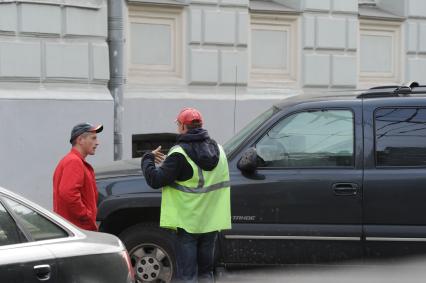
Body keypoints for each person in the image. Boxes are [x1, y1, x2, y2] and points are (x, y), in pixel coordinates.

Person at [141, 108, 231, 282]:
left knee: (187, 276)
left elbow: (155, 180)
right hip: (211, 222)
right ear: (201, 125)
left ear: (183, 126)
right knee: (206, 274)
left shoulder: (179, 154)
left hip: (187, 223)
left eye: (177, 125)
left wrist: (147, 159)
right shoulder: (219, 150)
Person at [53, 123, 103, 231]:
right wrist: (86, 216)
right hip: (78, 229)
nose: (97, 143)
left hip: (76, 228)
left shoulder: (73, 160)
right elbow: (68, 193)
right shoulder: (74, 161)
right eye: (93, 138)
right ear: (80, 140)